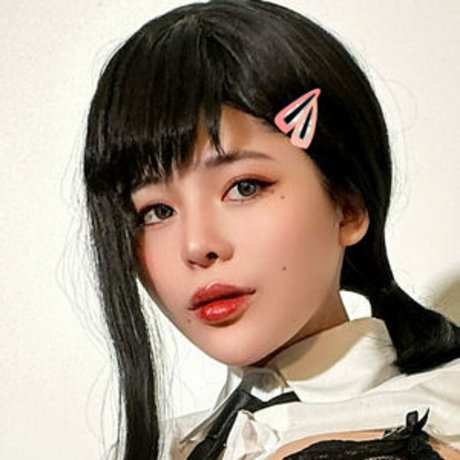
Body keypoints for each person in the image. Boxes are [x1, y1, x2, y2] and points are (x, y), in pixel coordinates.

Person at [82, 1, 460, 458]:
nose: (197, 244)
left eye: (244, 187)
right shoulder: (165, 446)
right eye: (156, 211)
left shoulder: (437, 422)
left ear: (348, 206)